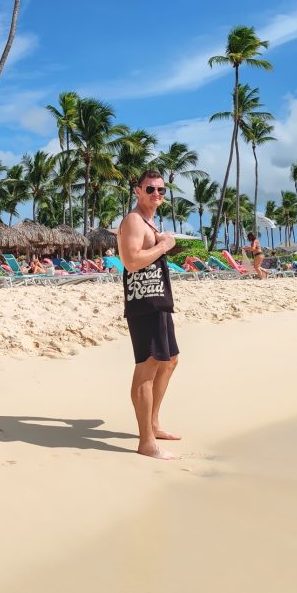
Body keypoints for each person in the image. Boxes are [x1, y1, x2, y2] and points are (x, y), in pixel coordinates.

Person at [118, 169, 180, 461]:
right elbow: (131, 262)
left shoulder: (150, 223)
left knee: (169, 360)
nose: (157, 194)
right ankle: (146, 441)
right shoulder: (133, 221)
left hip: (159, 300)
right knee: (149, 364)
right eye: (151, 189)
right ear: (138, 191)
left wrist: (160, 242)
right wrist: (164, 246)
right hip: (144, 302)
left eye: (161, 190)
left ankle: (153, 423)